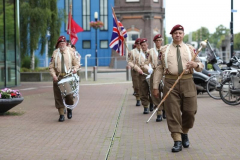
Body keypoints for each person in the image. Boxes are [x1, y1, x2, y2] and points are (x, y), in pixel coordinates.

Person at [153, 25, 204, 152]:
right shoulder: (164, 50)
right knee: (172, 112)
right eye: (176, 33)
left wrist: (195, 64)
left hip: (187, 82)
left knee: (190, 111)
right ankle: (177, 140)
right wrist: (155, 86)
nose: (178, 35)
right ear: (172, 35)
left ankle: (184, 132)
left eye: (180, 33)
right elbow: (159, 69)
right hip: (170, 83)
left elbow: (201, 66)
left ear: (183, 34)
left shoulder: (190, 49)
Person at [49, 36, 80, 122]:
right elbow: (51, 66)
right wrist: (53, 75)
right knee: (58, 97)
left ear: (66, 44)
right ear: (58, 45)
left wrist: (75, 69)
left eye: (63, 43)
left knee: (69, 96)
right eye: (60, 43)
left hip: (68, 77)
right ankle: (61, 114)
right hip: (58, 77)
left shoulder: (70, 52)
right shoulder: (55, 53)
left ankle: (69, 109)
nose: (62, 45)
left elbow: (76, 63)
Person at [143, 34, 166, 122]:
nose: (158, 42)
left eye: (160, 40)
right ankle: (159, 112)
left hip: (164, 74)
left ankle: (165, 110)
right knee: (155, 94)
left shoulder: (165, 50)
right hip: (154, 73)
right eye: (157, 41)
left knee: (165, 92)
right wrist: (149, 69)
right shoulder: (150, 52)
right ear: (154, 42)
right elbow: (145, 63)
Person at [134, 38, 153, 114]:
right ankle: (145, 106)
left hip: (151, 74)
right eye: (142, 45)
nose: (143, 46)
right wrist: (138, 69)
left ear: (147, 45)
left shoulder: (151, 53)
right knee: (143, 91)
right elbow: (135, 64)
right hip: (142, 74)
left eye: (145, 45)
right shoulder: (138, 55)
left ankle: (152, 103)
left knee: (151, 90)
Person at [128, 38, 142, 106]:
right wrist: (134, 67)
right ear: (135, 44)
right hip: (135, 71)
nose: (139, 45)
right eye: (138, 44)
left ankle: (145, 100)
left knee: (144, 85)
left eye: (140, 43)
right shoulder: (132, 52)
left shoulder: (146, 51)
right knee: (136, 85)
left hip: (143, 70)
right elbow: (129, 61)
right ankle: (138, 98)